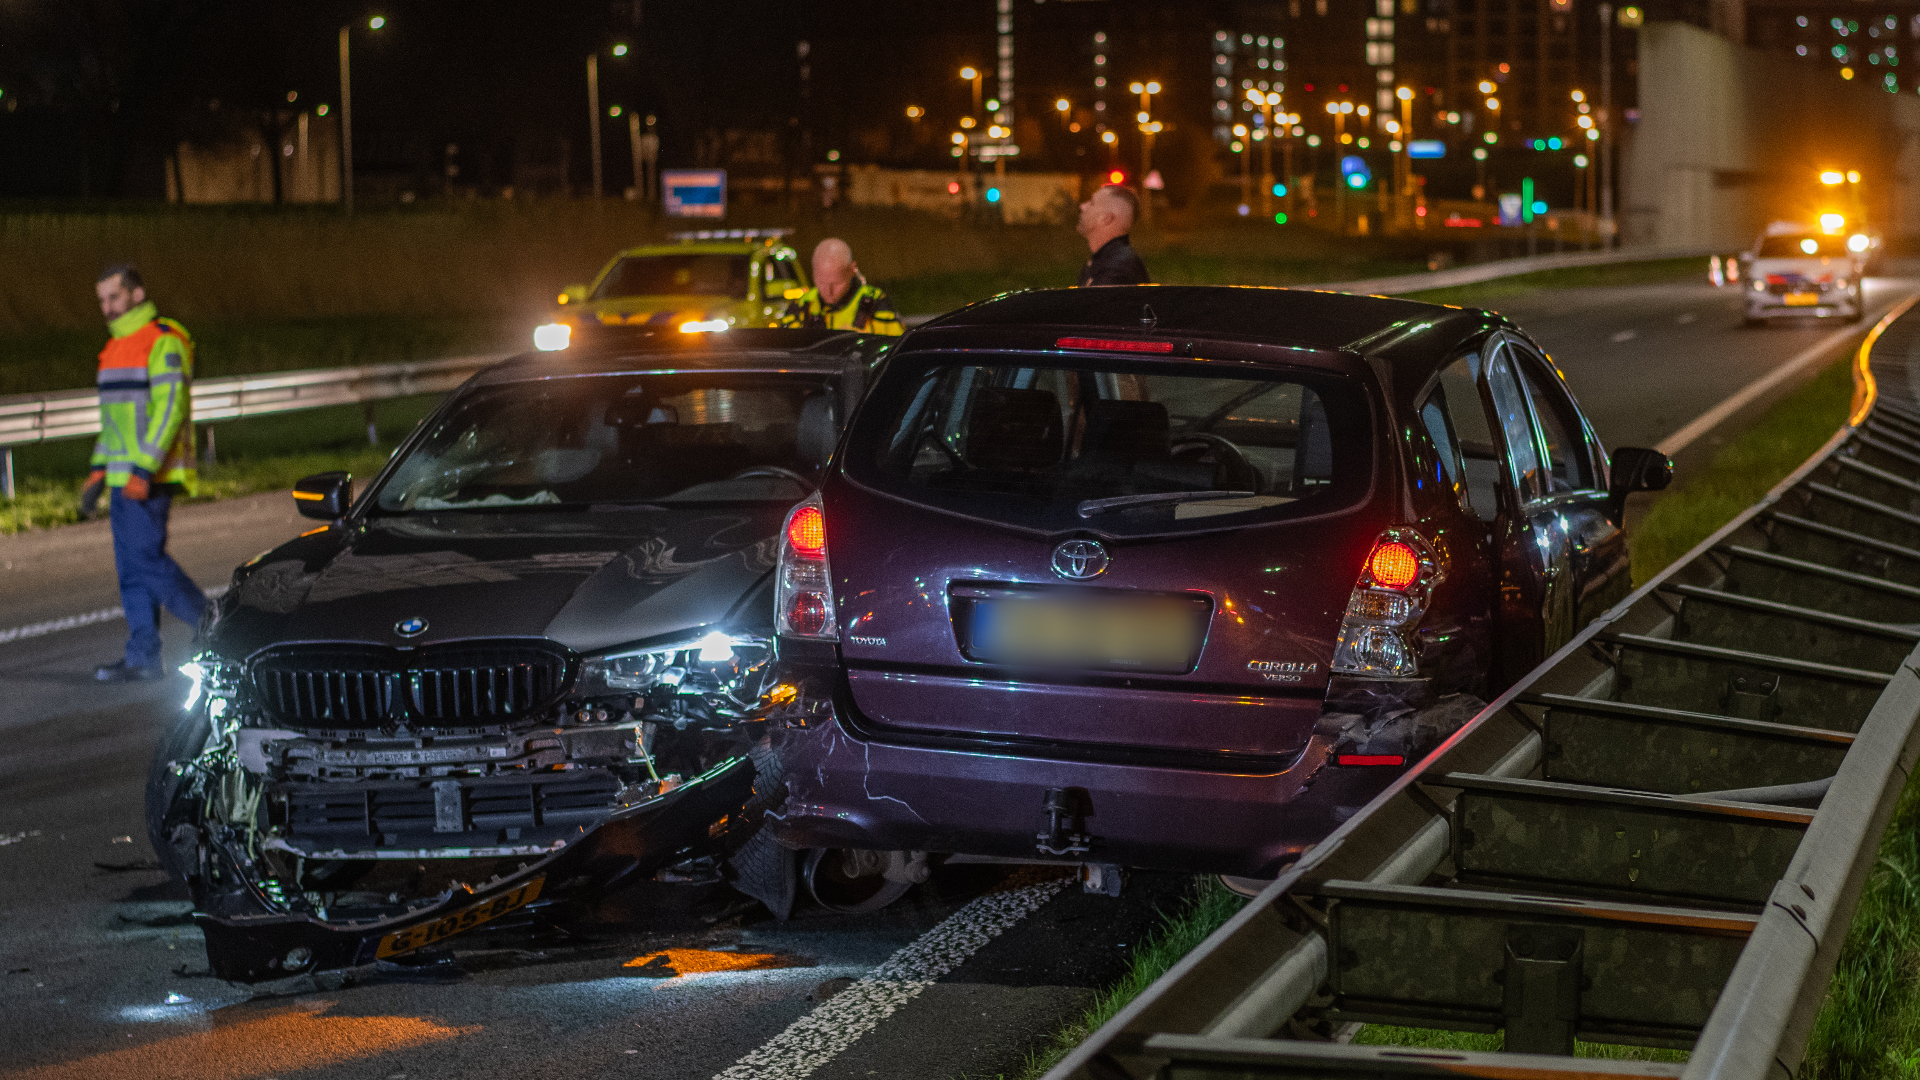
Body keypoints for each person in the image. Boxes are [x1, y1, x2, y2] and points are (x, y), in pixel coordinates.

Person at [82, 265, 206, 682]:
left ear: (137, 295)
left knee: (146, 562)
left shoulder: (161, 340)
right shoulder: (115, 347)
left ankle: (212, 624)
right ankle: (143, 656)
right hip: (123, 476)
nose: (106, 307)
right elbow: (115, 422)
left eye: (114, 298)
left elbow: (170, 411)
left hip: (148, 477)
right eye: (101, 300)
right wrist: (99, 470)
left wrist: (143, 469)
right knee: (131, 568)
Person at [777, 238, 905, 335]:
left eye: (837, 283)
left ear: (852, 270)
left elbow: (896, 350)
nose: (829, 291)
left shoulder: (875, 303)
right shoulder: (801, 307)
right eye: (821, 282)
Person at [1075, 184, 1152, 287]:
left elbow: (1092, 302)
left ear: (1106, 218)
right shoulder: (1105, 261)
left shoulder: (1116, 268)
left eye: (1092, 203)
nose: (1083, 206)